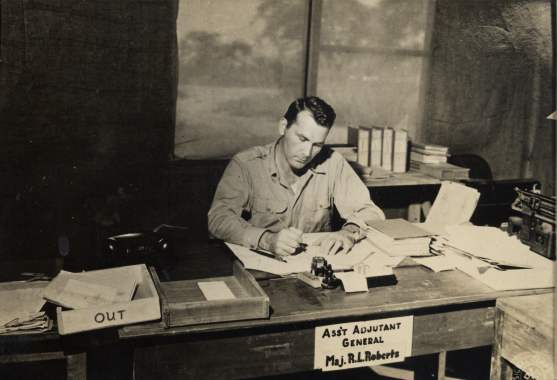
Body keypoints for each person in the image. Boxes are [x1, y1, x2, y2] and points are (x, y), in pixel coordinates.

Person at [208, 96, 385, 258]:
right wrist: (266, 240)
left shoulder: (333, 163)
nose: (307, 153)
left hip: (314, 267)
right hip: (259, 264)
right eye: (302, 139)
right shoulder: (246, 164)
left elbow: (370, 211)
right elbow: (219, 218)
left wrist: (348, 232)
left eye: (317, 145)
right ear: (283, 127)